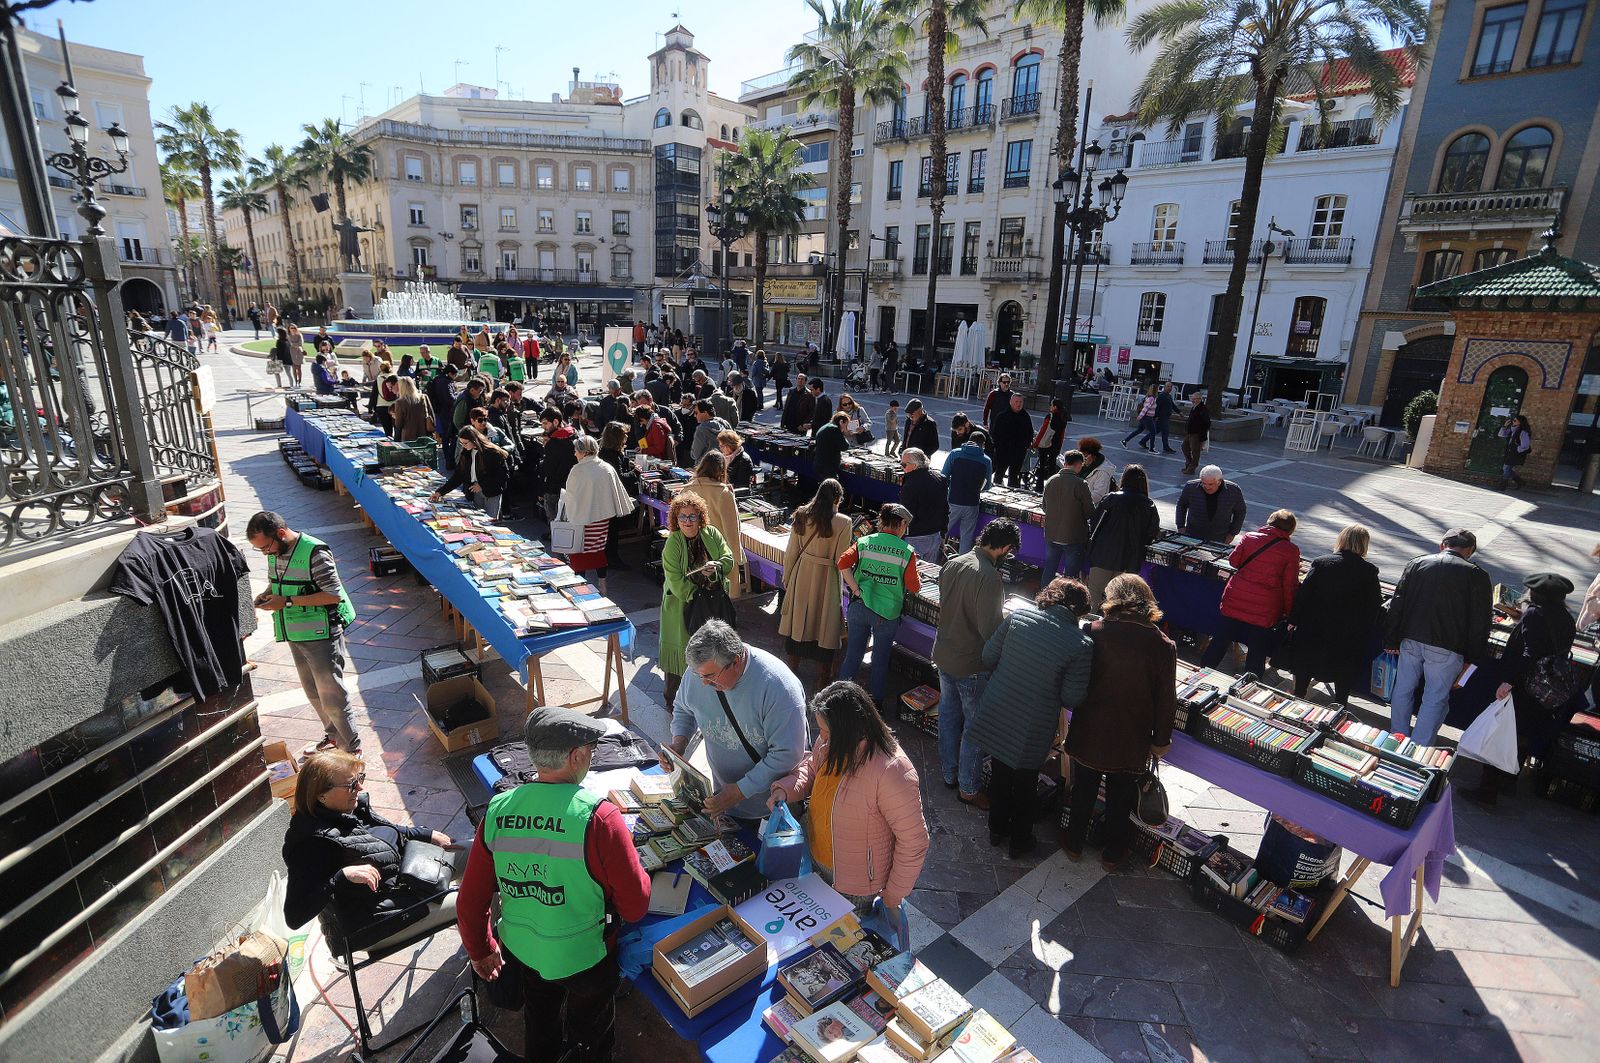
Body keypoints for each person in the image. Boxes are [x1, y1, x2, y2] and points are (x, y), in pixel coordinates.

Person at [458, 706, 649, 1063]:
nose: (591, 757)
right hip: (585, 955)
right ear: (575, 756)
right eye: (590, 751)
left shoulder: (498, 809)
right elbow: (635, 906)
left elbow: (469, 901)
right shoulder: (600, 817)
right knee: (590, 1034)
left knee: (540, 1020)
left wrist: (481, 950)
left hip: (525, 949)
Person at [768, 681, 928, 917]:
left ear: (848, 728)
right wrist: (786, 789)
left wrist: (894, 894)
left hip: (856, 885)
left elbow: (914, 842)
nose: (821, 739)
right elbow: (811, 769)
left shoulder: (891, 770)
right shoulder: (831, 741)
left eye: (826, 732)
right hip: (817, 860)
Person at [283, 750, 459, 954]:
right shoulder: (312, 843)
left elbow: (384, 831)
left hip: (410, 875)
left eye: (359, 778)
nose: (360, 787)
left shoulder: (348, 808)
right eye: (351, 784)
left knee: (484, 853)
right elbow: (294, 916)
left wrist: (424, 834)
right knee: (474, 899)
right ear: (321, 796)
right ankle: (487, 959)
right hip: (377, 920)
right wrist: (342, 877)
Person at [967, 577, 1094, 858]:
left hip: (999, 708)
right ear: (1080, 611)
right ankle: (1020, 841)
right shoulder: (1081, 644)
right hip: (1033, 722)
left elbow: (988, 657)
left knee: (1000, 773)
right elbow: (1073, 698)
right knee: (1025, 782)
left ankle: (996, 829)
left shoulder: (1019, 617)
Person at [1062, 574, 1177, 870]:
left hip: (1091, 727)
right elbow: (1167, 699)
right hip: (1131, 735)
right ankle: (1113, 854)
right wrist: (1161, 740)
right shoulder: (1162, 643)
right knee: (1120, 798)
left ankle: (1074, 843)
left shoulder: (1094, 630)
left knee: (1084, 790)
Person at [662, 620, 808, 825]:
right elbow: (684, 708)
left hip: (770, 809)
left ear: (736, 661)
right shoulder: (700, 671)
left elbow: (788, 754)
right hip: (724, 803)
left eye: (710, 677)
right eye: (699, 675)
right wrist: (679, 743)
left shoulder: (778, 687)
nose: (703, 682)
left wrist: (741, 790)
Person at [247, 511, 359, 754]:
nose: (266, 553)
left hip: (321, 635)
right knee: (313, 692)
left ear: (281, 533)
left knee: (332, 695)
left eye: (267, 547)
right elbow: (283, 582)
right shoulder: (276, 550)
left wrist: (286, 602)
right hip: (295, 633)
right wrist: (267, 595)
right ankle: (333, 737)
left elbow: (333, 595)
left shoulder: (315, 552)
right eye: (261, 550)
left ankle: (352, 748)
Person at [1464, 573, 1580, 807]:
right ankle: (1509, 782)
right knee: (1524, 735)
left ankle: (1488, 791)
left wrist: (1509, 681)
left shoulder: (1535, 614)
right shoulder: (1566, 618)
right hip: (1546, 688)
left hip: (1526, 686)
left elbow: (1529, 653)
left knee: (1502, 734)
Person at [932, 519, 1020, 809]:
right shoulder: (989, 577)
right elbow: (990, 629)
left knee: (947, 715)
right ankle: (968, 788)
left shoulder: (954, 562)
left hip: (945, 653)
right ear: (1005, 547)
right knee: (974, 727)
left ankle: (948, 774)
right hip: (971, 663)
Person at [1386, 529, 1493, 745]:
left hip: (1411, 639)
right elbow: (1480, 622)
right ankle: (1419, 747)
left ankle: (1397, 737)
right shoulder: (1477, 575)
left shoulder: (1417, 563)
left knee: (1403, 689)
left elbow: (1397, 603)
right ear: (1470, 551)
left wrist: (1391, 638)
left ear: (1442, 544)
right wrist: (1472, 659)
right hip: (1448, 646)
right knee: (1434, 698)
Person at [1285, 524, 1382, 704]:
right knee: (1343, 674)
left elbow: (1304, 594)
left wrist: (1294, 619)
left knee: (1305, 667)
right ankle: (1339, 707)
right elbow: (1374, 605)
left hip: (1314, 627)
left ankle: (1297, 700)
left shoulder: (1322, 562)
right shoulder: (1369, 571)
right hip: (1347, 633)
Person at [1201, 510, 1301, 677]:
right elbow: (1290, 585)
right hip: (1264, 608)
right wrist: (1290, 613)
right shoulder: (1291, 550)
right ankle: (1250, 686)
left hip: (1236, 598)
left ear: (1269, 522)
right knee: (1257, 649)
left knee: (1220, 640)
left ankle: (1203, 673)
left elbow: (1234, 561)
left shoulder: (1249, 537)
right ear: (1290, 530)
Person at [659, 491, 736, 709]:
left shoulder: (711, 533)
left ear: (700, 517)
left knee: (710, 653)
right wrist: (694, 597)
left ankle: (707, 700)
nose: (688, 521)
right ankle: (672, 701)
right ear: (676, 519)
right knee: (681, 656)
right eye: (682, 517)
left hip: (712, 602)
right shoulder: (673, 542)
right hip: (683, 605)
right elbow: (673, 578)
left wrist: (716, 567)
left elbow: (728, 558)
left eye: (692, 516)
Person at [838, 504, 921, 704]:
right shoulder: (906, 551)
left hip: (859, 606)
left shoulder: (864, 542)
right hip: (887, 614)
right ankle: (876, 704)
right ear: (902, 524)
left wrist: (856, 590)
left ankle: (838, 699)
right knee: (880, 660)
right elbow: (914, 586)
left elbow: (842, 563)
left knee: (853, 656)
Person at [779, 478, 853, 689]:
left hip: (801, 573)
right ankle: (823, 676)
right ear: (837, 499)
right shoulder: (843, 522)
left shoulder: (802, 515)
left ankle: (791, 668)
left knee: (798, 620)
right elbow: (841, 558)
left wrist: (787, 577)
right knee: (825, 623)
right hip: (826, 577)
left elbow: (791, 550)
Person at [1084, 464, 1160, 609]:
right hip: (1130, 559)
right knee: (1119, 598)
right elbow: (1151, 534)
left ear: (1124, 479)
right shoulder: (1148, 504)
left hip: (1103, 555)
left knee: (1094, 593)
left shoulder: (1111, 498)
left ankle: (1087, 623)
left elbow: (1095, 524)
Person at [687, 451, 746, 598]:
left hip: (694, 550)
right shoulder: (723, 493)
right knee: (721, 601)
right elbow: (732, 530)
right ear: (721, 470)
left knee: (697, 597)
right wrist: (736, 558)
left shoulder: (687, 489)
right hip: (718, 554)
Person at [432, 425, 510, 518]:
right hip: (474, 491)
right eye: (461, 443)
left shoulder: (492, 453)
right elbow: (458, 476)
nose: (463, 446)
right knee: (475, 519)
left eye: (465, 443)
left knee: (490, 521)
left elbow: (503, 475)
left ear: (474, 440)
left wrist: (482, 485)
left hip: (491, 492)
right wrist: (440, 492)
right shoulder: (466, 453)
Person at [1043, 449, 1094, 580]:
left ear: (1065, 463)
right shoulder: (1081, 484)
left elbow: (1044, 507)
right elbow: (1089, 512)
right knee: (1070, 576)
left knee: (1049, 569)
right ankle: (1065, 599)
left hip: (1052, 534)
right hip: (1073, 537)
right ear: (1078, 464)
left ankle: (1043, 596)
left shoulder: (1051, 480)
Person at [943, 430, 994, 554]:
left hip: (953, 501)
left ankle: (935, 558)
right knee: (966, 538)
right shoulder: (986, 460)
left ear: (969, 440)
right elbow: (987, 486)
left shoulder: (955, 454)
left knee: (942, 532)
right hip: (972, 503)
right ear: (983, 444)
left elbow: (944, 475)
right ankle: (961, 567)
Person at [1174, 465, 1248, 544]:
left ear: (1219, 482)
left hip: (1220, 536)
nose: (1207, 487)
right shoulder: (1191, 487)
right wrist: (1180, 526)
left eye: (1210, 484)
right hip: (1193, 534)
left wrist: (1232, 533)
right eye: (1203, 483)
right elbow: (1181, 505)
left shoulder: (1233, 490)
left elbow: (1240, 512)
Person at [899, 448, 948, 562]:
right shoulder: (940, 479)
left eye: (904, 464)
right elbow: (945, 509)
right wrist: (943, 534)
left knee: (910, 575)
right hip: (934, 535)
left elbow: (906, 515)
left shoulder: (910, 485)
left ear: (915, 465)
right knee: (928, 575)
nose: (902, 467)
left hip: (915, 538)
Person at [539, 407, 578, 525]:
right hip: (571, 484)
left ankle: (554, 536)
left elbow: (548, 468)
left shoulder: (554, 443)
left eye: (545, 423)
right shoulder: (573, 435)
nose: (543, 427)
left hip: (554, 486)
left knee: (554, 518)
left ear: (555, 422)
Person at [1032, 398, 1067, 490]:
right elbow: (1062, 434)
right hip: (1056, 445)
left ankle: (1039, 486)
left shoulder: (1050, 416)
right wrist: (1060, 446)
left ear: (1055, 407)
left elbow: (1043, 431)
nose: (1050, 407)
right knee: (1052, 466)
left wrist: (1035, 443)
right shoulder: (1063, 418)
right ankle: (1051, 487)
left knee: (1042, 465)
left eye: (1051, 405)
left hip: (1045, 444)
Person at [389, 376, 434, 443]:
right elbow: (431, 416)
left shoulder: (400, 402)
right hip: (425, 436)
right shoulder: (423, 397)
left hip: (408, 437)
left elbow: (399, 424)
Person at [813, 411, 851, 483]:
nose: (846, 427)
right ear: (841, 422)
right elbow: (845, 446)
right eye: (846, 425)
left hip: (819, 463)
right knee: (831, 488)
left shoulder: (826, 426)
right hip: (828, 466)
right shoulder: (835, 430)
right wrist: (844, 433)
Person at [690, 400, 730, 465]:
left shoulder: (701, 429)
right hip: (723, 464)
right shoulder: (724, 423)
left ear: (705, 412)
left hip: (705, 467)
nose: (694, 415)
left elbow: (695, 454)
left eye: (696, 413)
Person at [1498, 414, 1532, 490]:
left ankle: (1502, 486)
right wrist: (1505, 426)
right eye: (1513, 420)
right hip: (1510, 452)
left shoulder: (1523, 432)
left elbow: (1525, 445)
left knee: (1506, 468)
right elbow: (1501, 435)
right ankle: (1520, 482)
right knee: (1507, 468)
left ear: (1520, 422)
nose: (1513, 422)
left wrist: (1517, 449)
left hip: (1516, 453)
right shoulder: (1512, 429)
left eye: (1515, 420)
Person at [1078, 436, 1116, 503]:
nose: (1083, 458)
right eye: (1081, 455)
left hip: (1090, 507)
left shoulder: (1103, 471)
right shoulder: (1081, 464)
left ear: (1094, 456)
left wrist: (1077, 500)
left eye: (1086, 456)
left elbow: (1098, 495)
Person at [1181, 391, 1211, 475]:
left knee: (1195, 451)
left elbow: (1207, 422)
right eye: (1192, 398)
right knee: (1184, 447)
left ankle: (1192, 467)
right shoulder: (1194, 407)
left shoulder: (1202, 408)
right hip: (1190, 432)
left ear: (1199, 399)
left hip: (1197, 434)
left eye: (1195, 399)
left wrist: (1200, 431)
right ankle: (1189, 463)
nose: (1193, 400)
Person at [1122, 385, 1159, 451]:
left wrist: (1141, 416)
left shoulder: (1148, 397)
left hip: (1145, 417)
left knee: (1139, 430)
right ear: (1155, 391)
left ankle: (1125, 441)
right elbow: (1146, 408)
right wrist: (1140, 416)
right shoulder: (1152, 399)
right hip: (1147, 417)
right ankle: (1151, 449)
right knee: (1153, 431)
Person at [1153, 381, 1177, 453]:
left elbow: (1172, 405)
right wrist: (1156, 416)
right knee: (1165, 432)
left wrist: (1179, 412)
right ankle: (1166, 447)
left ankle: (1143, 441)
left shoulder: (1169, 396)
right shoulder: (1161, 396)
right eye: (1168, 386)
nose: (1169, 388)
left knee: (1155, 431)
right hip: (1161, 417)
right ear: (1164, 387)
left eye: (1170, 387)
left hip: (1165, 417)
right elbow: (1157, 406)